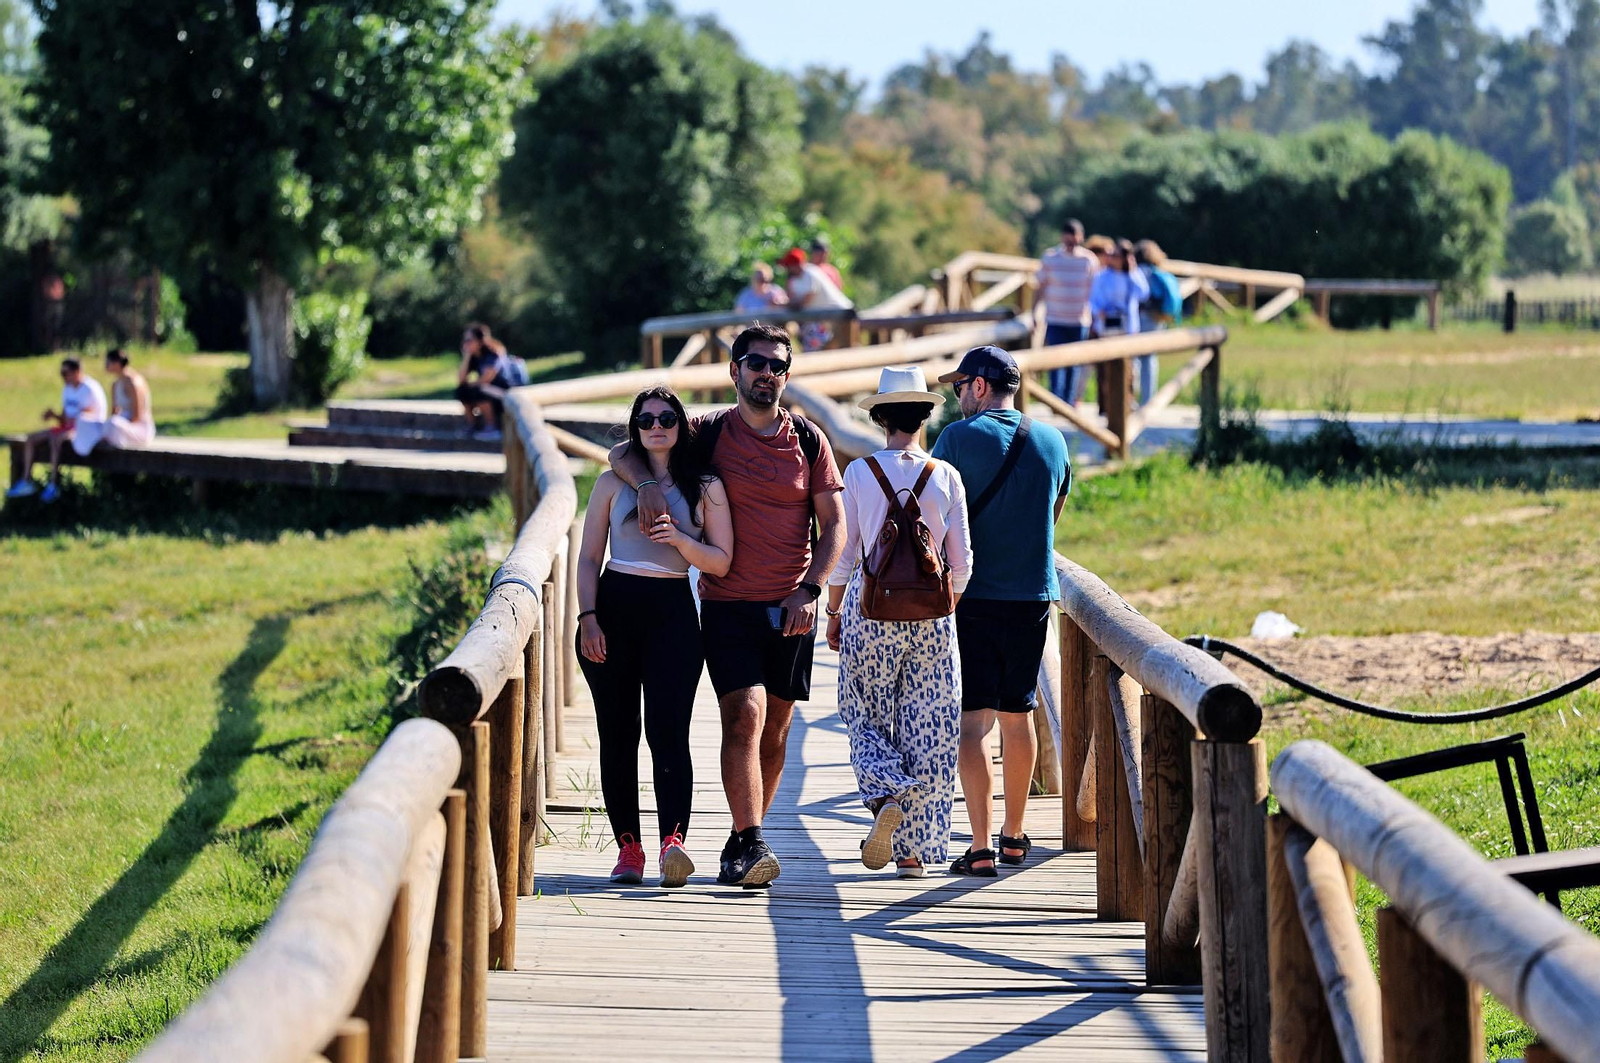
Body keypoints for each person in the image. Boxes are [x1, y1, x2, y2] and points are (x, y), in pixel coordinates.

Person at [609, 323, 846, 889]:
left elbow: (834, 526)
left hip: (793, 604)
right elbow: (628, 446)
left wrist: (811, 590)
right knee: (745, 714)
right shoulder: (707, 432)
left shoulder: (809, 441)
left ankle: (742, 839)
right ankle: (752, 839)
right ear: (734, 370)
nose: (768, 374)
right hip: (727, 604)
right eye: (756, 363)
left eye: (778, 366)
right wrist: (643, 486)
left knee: (777, 731)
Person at [577, 386, 734, 888]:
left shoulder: (705, 485)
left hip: (673, 614)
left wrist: (681, 540)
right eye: (645, 420)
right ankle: (629, 850)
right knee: (617, 736)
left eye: (667, 417)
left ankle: (674, 845)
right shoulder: (610, 483)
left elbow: (722, 561)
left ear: (682, 423)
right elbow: (587, 558)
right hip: (614, 607)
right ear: (635, 428)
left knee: (669, 734)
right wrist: (587, 617)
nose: (656, 426)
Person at [826, 366, 972, 878]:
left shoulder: (861, 473)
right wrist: (945, 606)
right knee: (930, 727)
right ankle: (914, 854)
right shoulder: (947, 476)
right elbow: (963, 561)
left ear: (881, 417)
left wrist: (834, 609)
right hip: (934, 618)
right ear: (927, 416)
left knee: (862, 713)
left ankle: (887, 791)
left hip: (871, 612)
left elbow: (845, 555)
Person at [932, 346, 1071, 876]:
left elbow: (938, 511)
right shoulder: (1053, 440)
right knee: (1019, 716)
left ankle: (981, 845)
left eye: (960, 386)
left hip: (972, 600)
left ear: (982, 386)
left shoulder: (958, 439)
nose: (957, 396)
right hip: (1033, 597)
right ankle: (1015, 836)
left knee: (973, 725)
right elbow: (1055, 512)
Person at [7, 357, 108, 503]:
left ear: (77, 372)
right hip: (67, 427)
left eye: (65, 373)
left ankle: (53, 484)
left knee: (56, 439)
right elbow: (65, 418)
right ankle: (26, 480)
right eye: (61, 373)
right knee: (30, 439)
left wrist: (72, 417)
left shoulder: (90, 389)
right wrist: (54, 415)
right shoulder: (67, 389)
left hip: (88, 430)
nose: (63, 376)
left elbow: (92, 417)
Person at [1035, 219, 1099, 403]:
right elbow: (1040, 287)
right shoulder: (1050, 257)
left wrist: (1095, 318)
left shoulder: (1088, 260)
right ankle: (1055, 400)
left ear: (1081, 237)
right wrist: (1035, 313)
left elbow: (1094, 292)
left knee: (1074, 364)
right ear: (1063, 237)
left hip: (1079, 320)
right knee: (1054, 362)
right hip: (1055, 318)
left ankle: (1069, 402)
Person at [1087, 239, 1150, 415]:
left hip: (1127, 327)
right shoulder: (1102, 276)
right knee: (1104, 368)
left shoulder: (1132, 276)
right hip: (1106, 326)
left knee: (1128, 368)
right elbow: (1093, 299)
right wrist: (1099, 311)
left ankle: (1127, 402)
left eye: (1117, 256)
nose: (1113, 259)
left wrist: (1132, 270)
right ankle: (1105, 406)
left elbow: (1143, 293)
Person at [1134, 240, 1183, 408]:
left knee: (1134, 357)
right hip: (1158, 318)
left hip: (1142, 317)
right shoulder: (1160, 273)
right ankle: (1148, 400)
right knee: (1150, 359)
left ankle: (1131, 397)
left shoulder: (1138, 272)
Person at [778, 247, 853, 351]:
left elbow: (805, 301)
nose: (788, 268)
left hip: (841, 314)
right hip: (823, 318)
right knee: (827, 351)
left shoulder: (811, 272)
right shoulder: (794, 279)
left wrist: (786, 304)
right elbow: (792, 299)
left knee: (844, 350)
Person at [454, 323, 510, 440]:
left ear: (480, 341)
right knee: (461, 391)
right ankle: (473, 425)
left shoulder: (494, 353)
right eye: (465, 340)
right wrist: (467, 356)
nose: (466, 343)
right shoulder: (474, 356)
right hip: (489, 391)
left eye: (469, 340)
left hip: (505, 393)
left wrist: (472, 384)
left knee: (478, 390)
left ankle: (492, 427)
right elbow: (461, 380)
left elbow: (487, 377)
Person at [101, 348, 156, 449]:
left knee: (113, 424)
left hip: (139, 428)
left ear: (117, 363)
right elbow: (114, 412)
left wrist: (119, 425)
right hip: (123, 425)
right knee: (105, 424)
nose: (105, 365)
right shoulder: (115, 384)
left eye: (108, 362)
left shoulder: (133, 382)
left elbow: (137, 415)